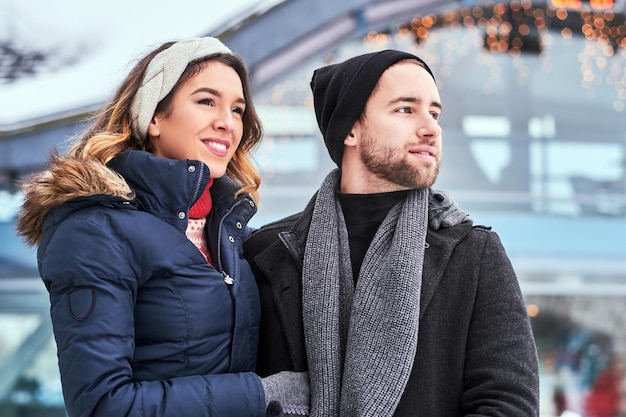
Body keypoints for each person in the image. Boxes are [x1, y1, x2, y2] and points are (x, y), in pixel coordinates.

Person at [16, 37, 308, 417]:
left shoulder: (229, 231)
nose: (227, 122)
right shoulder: (96, 230)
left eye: (237, 109)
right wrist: (261, 393)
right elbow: (102, 406)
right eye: (206, 101)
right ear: (154, 117)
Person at [243, 49, 540, 416]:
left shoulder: (473, 252)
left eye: (434, 112)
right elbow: (239, 391)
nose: (431, 128)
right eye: (406, 109)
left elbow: (508, 404)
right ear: (350, 129)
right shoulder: (268, 251)